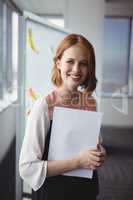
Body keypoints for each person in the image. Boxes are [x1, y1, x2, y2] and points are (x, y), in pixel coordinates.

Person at [19, 33, 106, 200]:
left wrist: (100, 153)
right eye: (70, 61)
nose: (76, 69)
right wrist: (78, 162)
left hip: (86, 191)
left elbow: (96, 145)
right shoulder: (43, 106)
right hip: (54, 193)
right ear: (58, 63)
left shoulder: (90, 103)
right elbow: (27, 167)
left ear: (89, 69)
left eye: (83, 64)